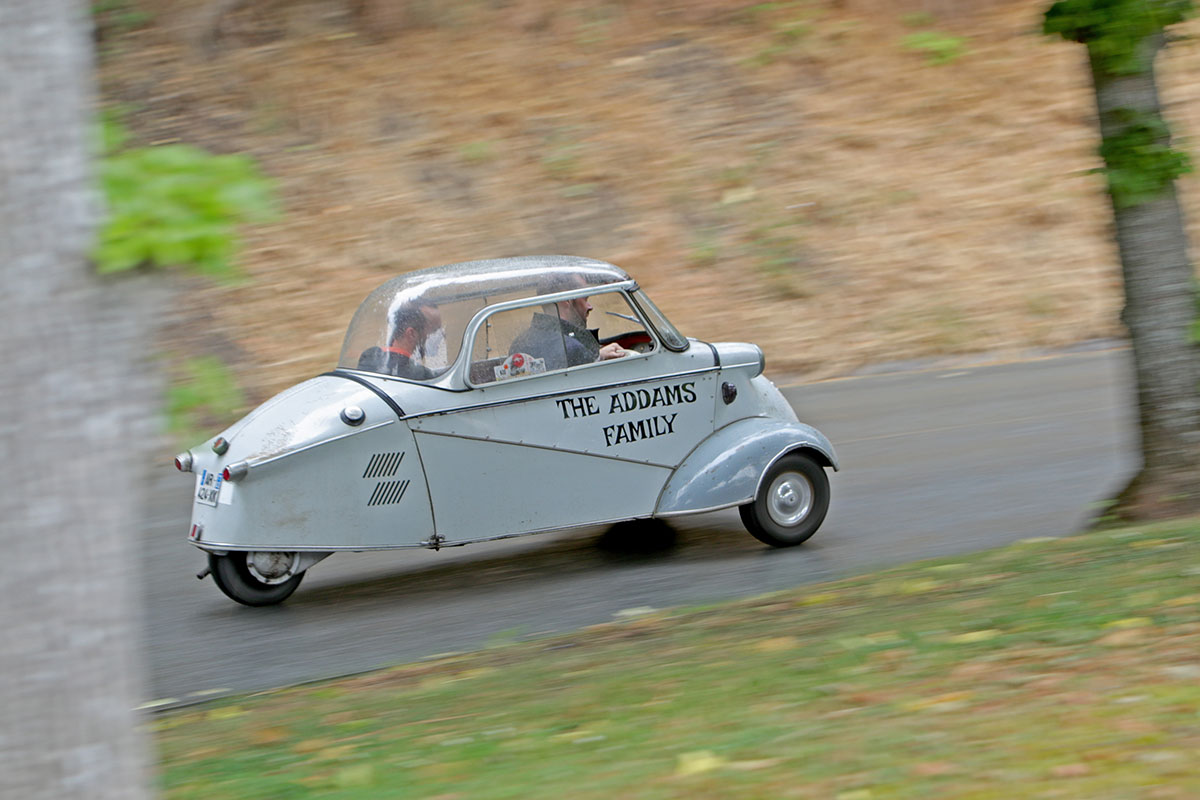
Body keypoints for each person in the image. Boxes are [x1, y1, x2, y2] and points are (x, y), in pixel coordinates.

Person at [509, 274, 633, 371]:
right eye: (585, 298)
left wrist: (598, 357)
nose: (590, 307)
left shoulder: (519, 344)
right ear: (566, 300)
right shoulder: (571, 348)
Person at [357, 303, 443, 380]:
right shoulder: (420, 375)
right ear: (411, 334)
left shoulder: (369, 356)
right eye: (433, 331)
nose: (435, 337)